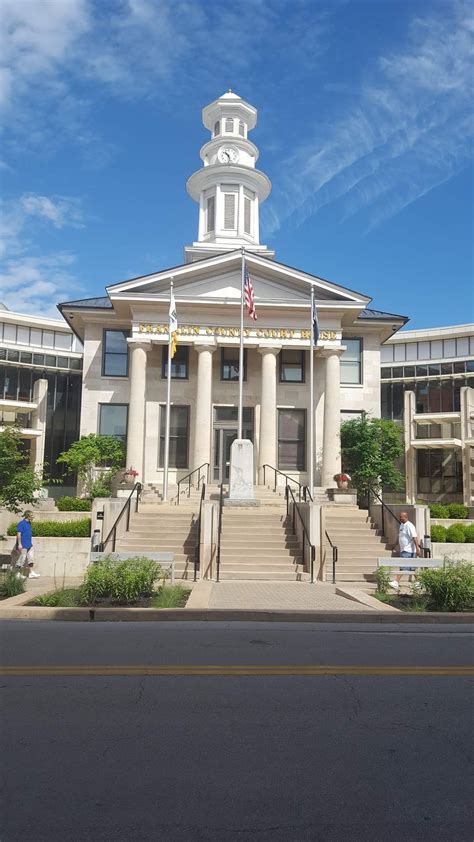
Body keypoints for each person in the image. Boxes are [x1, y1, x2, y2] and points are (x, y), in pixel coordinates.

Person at [390, 511, 421, 590]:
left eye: (401, 517)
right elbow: (400, 536)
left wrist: (417, 548)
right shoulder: (402, 525)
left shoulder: (410, 526)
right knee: (412, 568)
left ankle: (396, 582)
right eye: (399, 516)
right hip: (404, 549)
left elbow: (414, 537)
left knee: (403, 567)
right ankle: (418, 583)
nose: (399, 518)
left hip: (409, 550)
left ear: (406, 517)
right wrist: (395, 545)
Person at [11, 511, 40, 579]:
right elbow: (19, 534)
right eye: (31, 515)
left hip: (29, 544)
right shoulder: (21, 524)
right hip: (23, 545)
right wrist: (20, 544)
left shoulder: (29, 523)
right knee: (22, 559)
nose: (33, 517)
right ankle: (17, 574)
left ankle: (31, 573)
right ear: (27, 516)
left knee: (31, 558)